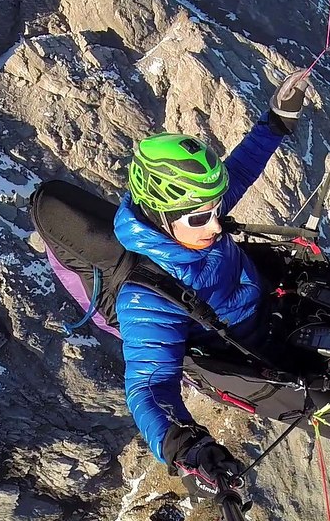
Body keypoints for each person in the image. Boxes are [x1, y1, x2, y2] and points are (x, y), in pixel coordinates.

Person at [113, 68, 311, 502]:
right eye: (202, 217)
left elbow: (238, 171)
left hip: (268, 309)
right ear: (161, 217)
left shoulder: (189, 219)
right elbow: (147, 386)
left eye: (215, 209)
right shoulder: (148, 297)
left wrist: (276, 120)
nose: (217, 224)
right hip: (250, 349)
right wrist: (186, 446)